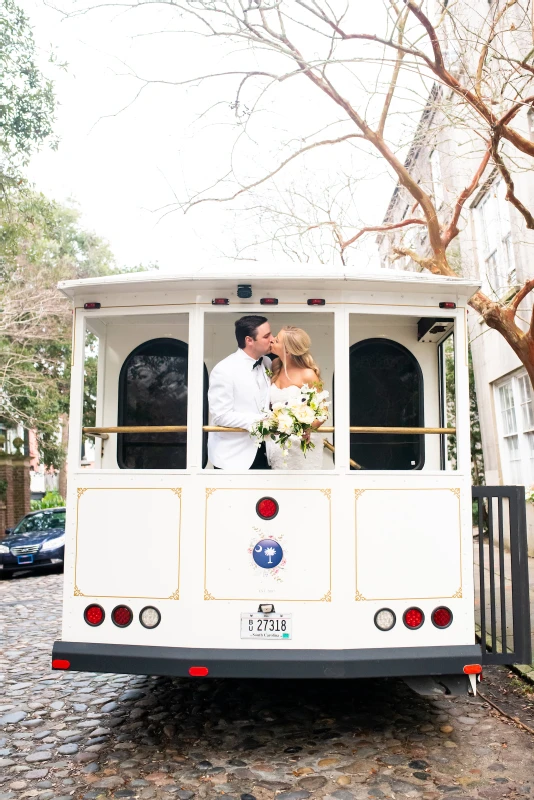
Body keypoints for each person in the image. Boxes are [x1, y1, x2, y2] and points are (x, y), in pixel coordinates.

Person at [208, 315, 274, 470]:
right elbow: (220, 415)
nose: (272, 338)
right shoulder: (224, 369)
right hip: (233, 457)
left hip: (265, 452)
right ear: (249, 340)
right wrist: (261, 421)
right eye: (266, 336)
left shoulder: (267, 362)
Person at [267, 326, 326, 470]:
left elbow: (323, 412)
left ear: (287, 350)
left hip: (301, 445)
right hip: (278, 444)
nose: (272, 340)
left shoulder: (308, 374)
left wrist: (307, 428)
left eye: (277, 340)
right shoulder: (275, 366)